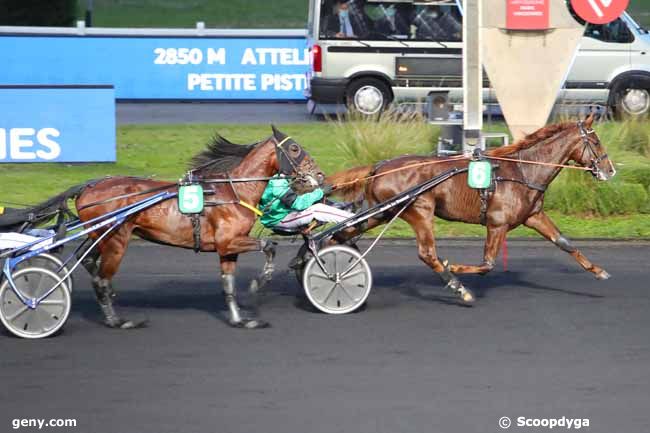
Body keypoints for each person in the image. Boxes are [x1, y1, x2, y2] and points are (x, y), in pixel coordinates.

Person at [259, 174, 353, 231]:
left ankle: (346, 208)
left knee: (324, 204)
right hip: (279, 220)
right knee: (317, 210)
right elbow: (298, 203)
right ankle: (353, 220)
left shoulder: (276, 176)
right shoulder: (277, 182)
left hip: (285, 212)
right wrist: (321, 191)